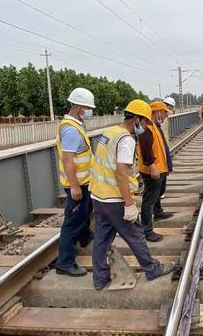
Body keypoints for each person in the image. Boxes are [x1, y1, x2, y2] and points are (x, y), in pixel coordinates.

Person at [90, 100, 174, 290]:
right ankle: (152, 269)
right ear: (135, 119)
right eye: (144, 123)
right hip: (114, 198)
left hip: (98, 196)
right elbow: (121, 172)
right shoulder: (126, 140)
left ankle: (100, 278)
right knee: (135, 233)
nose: (145, 127)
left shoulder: (110, 132)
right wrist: (129, 204)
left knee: (102, 238)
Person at [55, 87, 96, 277]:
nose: (89, 111)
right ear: (77, 106)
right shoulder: (71, 130)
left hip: (84, 180)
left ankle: (85, 236)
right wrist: (74, 186)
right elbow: (68, 160)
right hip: (77, 183)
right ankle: (65, 263)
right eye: (87, 107)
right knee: (72, 222)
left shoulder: (76, 124)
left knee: (85, 211)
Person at [137, 101, 173, 242]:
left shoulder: (154, 126)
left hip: (160, 168)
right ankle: (146, 230)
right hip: (153, 170)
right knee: (149, 199)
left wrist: (166, 167)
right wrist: (152, 167)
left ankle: (157, 212)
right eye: (164, 113)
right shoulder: (146, 128)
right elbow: (146, 150)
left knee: (159, 192)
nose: (165, 116)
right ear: (157, 112)